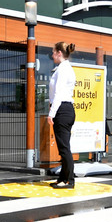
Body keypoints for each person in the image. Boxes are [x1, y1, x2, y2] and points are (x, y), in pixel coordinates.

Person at [47, 42, 77, 189]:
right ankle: (63, 178)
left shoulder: (63, 70)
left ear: (59, 53)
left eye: (53, 52)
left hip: (62, 110)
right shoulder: (65, 68)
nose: (52, 55)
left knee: (64, 148)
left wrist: (51, 114)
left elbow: (58, 93)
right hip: (66, 109)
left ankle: (69, 181)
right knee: (63, 147)